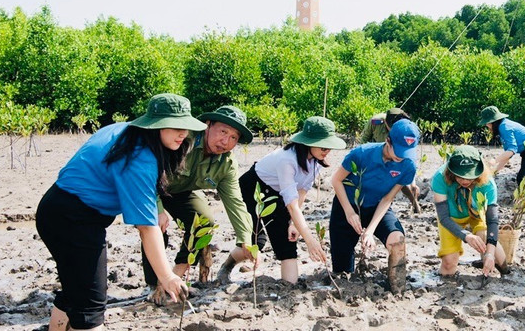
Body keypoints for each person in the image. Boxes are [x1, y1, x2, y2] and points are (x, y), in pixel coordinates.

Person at [36, 93, 203, 331]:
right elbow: (146, 228)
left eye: (185, 127)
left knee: (77, 290)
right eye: (175, 126)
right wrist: (167, 277)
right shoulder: (138, 158)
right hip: (75, 219)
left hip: (54, 208)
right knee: (91, 305)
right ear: (155, 125)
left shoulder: (124, 131)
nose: (182, 134)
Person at [139, 105, 256, 303]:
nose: (226, 141)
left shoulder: (226, 164)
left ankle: (176, 276)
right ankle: (153, 285)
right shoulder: (183, 140)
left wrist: (246, 240)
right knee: (155, 227)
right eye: (223, 132)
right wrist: (158, 210)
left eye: (234, 138)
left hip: (180, 192)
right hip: (150, 186)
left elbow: (235, 202)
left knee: (204, 221)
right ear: (207, 125)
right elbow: (149, 172)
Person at [238, 116, 346, 284]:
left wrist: (294, 224)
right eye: (323, 145)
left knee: (287, 243)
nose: (327, 150)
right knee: (255, 242)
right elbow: (291, 204)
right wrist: (310, 241)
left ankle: (289, 285)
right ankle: (227, 266)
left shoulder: (316, 162)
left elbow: (301, 191)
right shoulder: (286, 159)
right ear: (307, 142)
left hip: (279, 193)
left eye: (329, 146)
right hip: (253, 188)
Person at [330, 118, 421, 292]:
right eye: (399, 151)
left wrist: (370, 231)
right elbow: (336, 180)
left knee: (397, 240)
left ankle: (397, 288)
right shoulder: (362, 154)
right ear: (388, 141)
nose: (401, 157)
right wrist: (349, 213)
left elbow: (387, 199)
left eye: (406, 152)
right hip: (347, 205)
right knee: (342, 270)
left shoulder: (408, 166)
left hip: (377, 206)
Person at [431, 145, 509, 276]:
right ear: (451, 171)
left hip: (478, 215)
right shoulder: (439, 177)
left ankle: (506, 271)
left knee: (492, 252)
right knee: (448, 265)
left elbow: (492, 221)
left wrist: (489, 254)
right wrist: (465, 236)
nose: (465, 180)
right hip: (451, 217)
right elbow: (443, 217)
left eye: (470, 176)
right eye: (460, 176)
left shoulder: (488, 183)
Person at [358, 107, 420, 210]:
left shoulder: (407, 129)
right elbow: (363, 140)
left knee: (399, 179)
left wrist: (413, 183)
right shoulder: (375, 122)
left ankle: (413, 202)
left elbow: (409, 157)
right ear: (386, 122)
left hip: (397, 157)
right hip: (377, 155)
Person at [478, 105, 525, 186]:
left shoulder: (504, 127)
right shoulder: (502, 127)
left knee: (523, 179)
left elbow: (512, 150)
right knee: (523, 178)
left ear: (493, 122)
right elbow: (507, 156)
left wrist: (494, 161)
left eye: (487, 123)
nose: (487, 126)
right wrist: (494, 172)